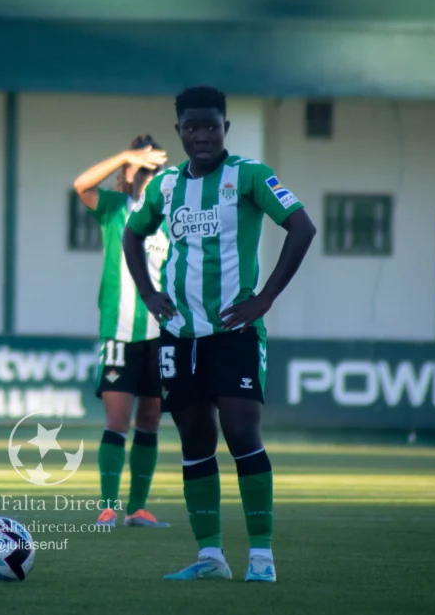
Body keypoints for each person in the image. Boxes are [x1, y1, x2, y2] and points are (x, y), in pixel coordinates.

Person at [122, 86, 316, 583]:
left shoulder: (250, 176)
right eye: (192, 126)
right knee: (195, 440)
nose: (202, 135)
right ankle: (210, 557)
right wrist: (148, 293)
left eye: (211, 125)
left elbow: (302, 227)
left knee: (242, 433)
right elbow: (132, 232)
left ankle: (262, 560)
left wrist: (265, 297)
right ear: (179, 131)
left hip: (235, 332)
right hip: (179, 335)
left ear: (225, 128)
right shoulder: (166, 186)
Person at [72, 135, 172, 529]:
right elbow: (81, 185)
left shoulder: (170, 213)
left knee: (150, 419)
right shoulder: (115, 209)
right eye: (138, 167)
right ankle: (109, 507)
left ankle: (137, 508)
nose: (145, 174)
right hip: (118, 332)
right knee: (117, 420)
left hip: (161, 333)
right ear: (126, 173)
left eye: (152, 167)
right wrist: (123, 156)